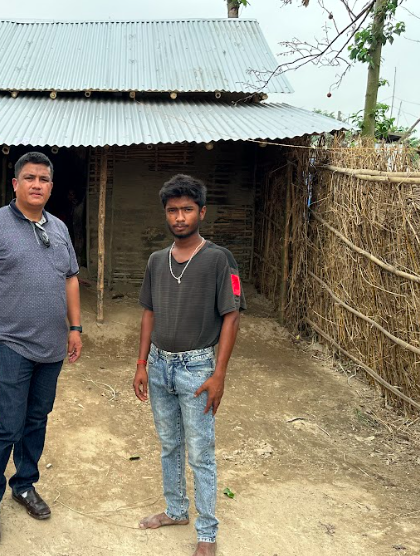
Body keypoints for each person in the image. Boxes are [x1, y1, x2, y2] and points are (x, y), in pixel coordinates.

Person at [0, 151, 83, 545]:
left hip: (51, 344)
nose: (36, 184)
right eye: (29, 178)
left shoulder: (60, 228)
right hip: (9, 342)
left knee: (37, 418)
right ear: (15, 184)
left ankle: (25, 483)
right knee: (7, 424)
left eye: (44, 179)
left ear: (51, 186)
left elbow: (70, 279)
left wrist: (76, 327)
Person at [132, 174, 243, 556]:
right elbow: (148, 313)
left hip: (198, 368)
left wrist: (219, 374)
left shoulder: (218, 259)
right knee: (169, 445)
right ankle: (176, 510)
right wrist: (142, 363)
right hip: (160, 364)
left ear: (202, 212)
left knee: (200, 452)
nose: (179, 217)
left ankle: (207, 533)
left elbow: (231, 316)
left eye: (187, 209)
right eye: (173, 210)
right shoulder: (156, 260)